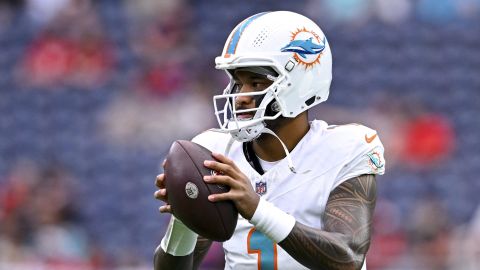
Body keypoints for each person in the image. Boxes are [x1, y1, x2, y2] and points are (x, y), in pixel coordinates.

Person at [154, 11, 385, 270]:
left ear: (299, 83)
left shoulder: (346, 148)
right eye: (238, 83)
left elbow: (348, 257)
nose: (241, 96)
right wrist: (185, 215)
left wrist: (256, 209)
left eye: (255, 82)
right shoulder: (215, 151)